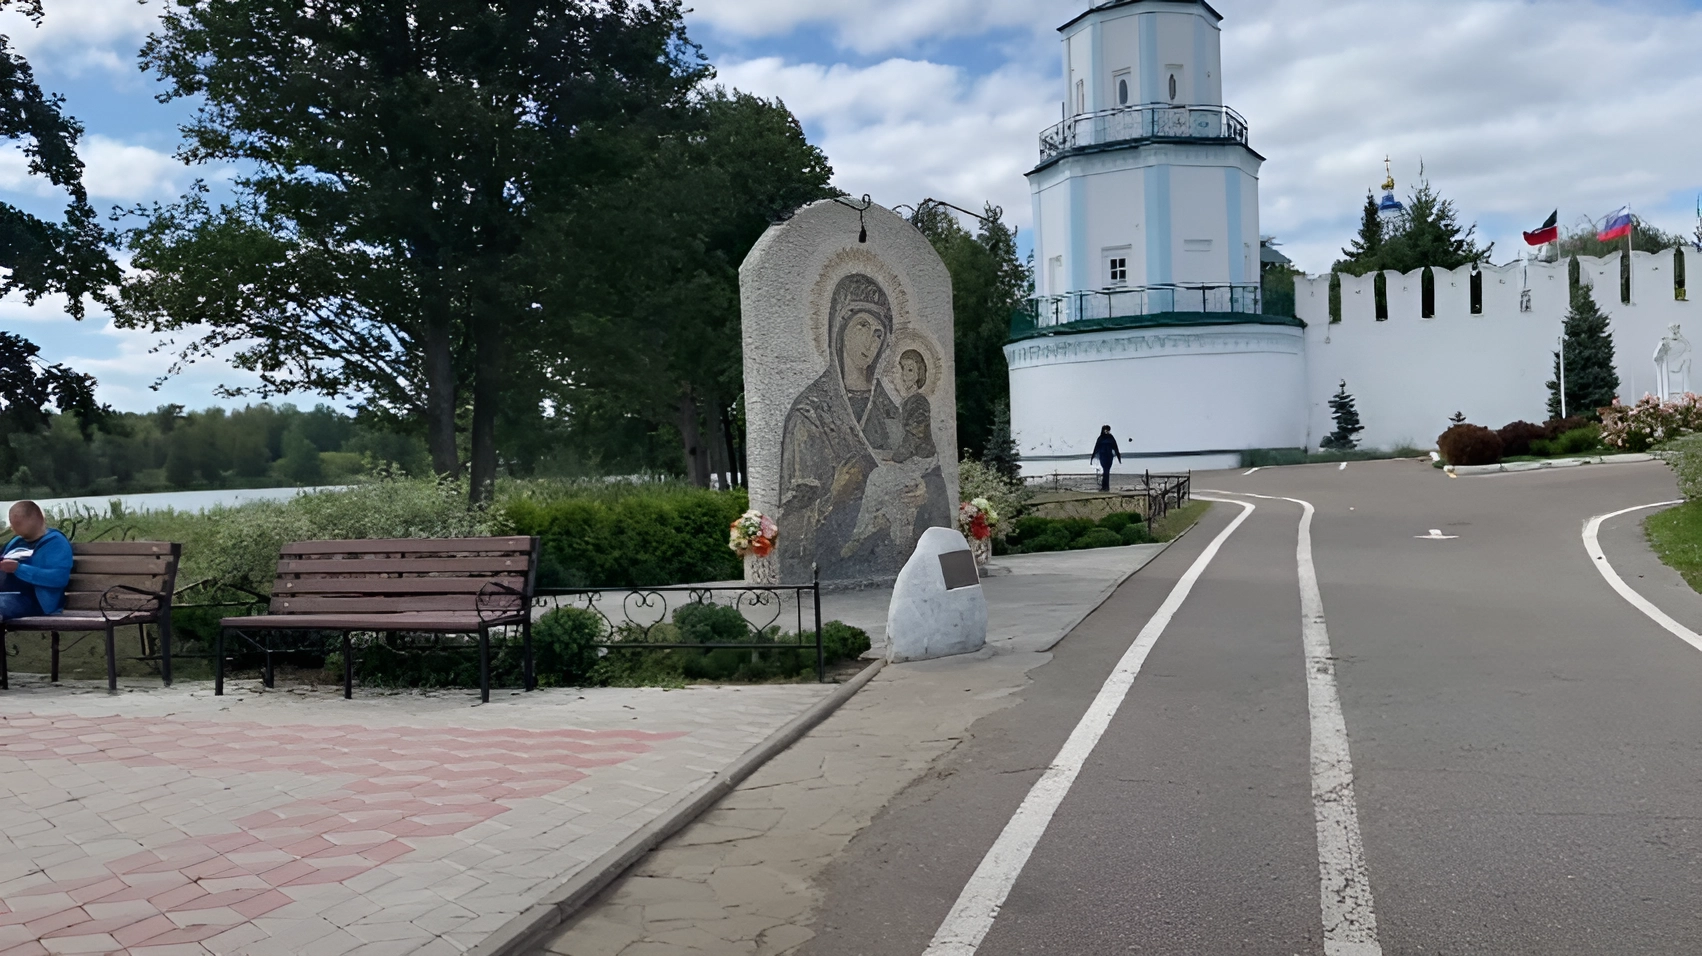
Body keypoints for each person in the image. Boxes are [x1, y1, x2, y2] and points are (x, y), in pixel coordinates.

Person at [1, 500, 72, 621]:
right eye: (12, 522)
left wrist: (18, 569)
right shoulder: (16, 542)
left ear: (37, 518)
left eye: (19, 522)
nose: (13, 527)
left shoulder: (55, 542)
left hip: (36, 601)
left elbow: (59, 578)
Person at [1090, 425, 1122, 492]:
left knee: (1107, 470)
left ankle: (1105, 487)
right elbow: (1096, 448)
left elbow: (1116, 447)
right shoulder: (1101, 438)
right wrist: (1092, 457)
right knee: (1106, 470)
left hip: (1109, 456)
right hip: (1103, 456)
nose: (1107, 431)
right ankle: (1105, 487)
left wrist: (1119, 457)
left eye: (1108, 430)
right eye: (1106, 430)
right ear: (1103, 430)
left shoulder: (1111, 437)